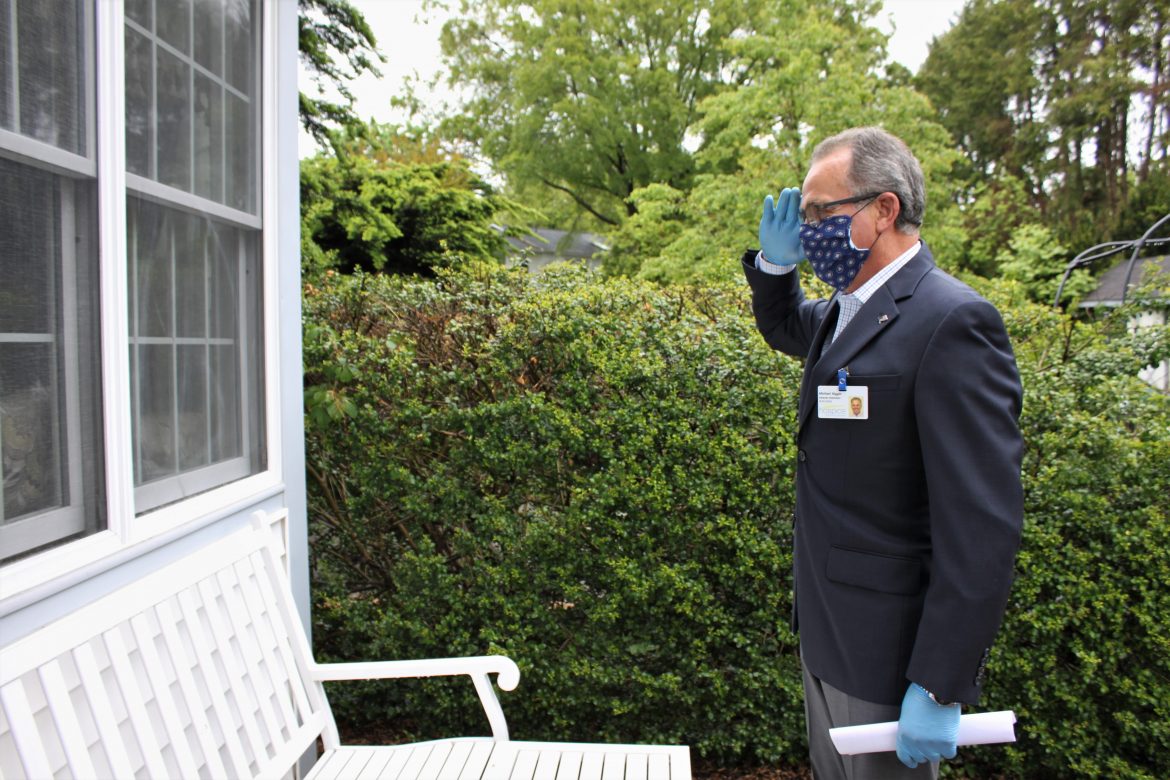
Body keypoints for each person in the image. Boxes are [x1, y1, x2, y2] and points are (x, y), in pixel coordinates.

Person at [741, 127, 1024, 779]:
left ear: (885, 209)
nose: (809, 231)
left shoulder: (950, 322)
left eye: (821, 214)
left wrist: (939, 682)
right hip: (827, 631)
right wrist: (775, 267)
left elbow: (981, 525)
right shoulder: (847, 309)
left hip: (887, 656)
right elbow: (785, 326)